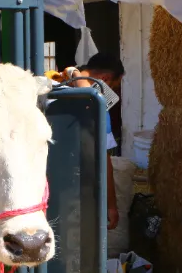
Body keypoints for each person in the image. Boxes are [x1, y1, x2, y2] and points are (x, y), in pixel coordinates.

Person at [47, 53, 125, 230]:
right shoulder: (96, 105)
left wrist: (74, 73)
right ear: (105, 78)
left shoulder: (52, 86)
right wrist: (111, 205)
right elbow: (103, 159)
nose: (112, 92)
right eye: (114, 85)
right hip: (74, 191)